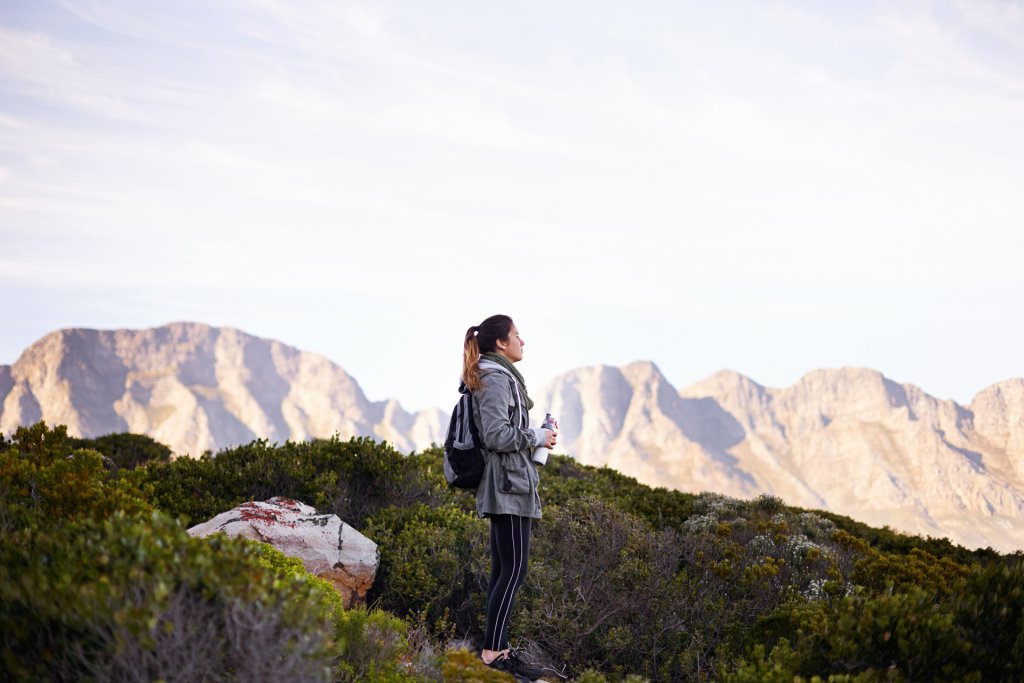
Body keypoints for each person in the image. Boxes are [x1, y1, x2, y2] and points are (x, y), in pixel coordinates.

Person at [461, 314, 558, 681]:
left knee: (506, 569)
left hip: (510, 482)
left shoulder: (496, 376)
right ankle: (494, 653)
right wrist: (535, 436)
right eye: (518, 335)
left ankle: (496, 649)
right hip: (508, 486)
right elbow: (496, 435)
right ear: (501, 343)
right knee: (513, 569)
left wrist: (536, 438)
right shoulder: (495, 378)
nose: (523, 341)